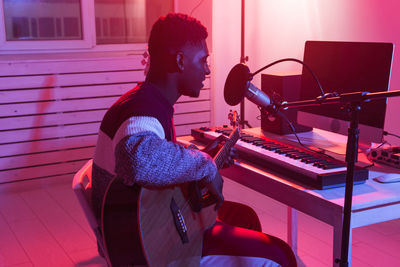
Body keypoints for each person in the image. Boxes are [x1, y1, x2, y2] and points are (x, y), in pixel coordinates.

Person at [91, 13, 297, 267]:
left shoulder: (146, 100)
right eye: (203, 60)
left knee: (246, 217)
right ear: (180, 61)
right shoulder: (143, 108)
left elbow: (153, 159)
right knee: (281, 255)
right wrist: (204, 164)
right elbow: (136, 158)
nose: (208, 69)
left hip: (145, 226)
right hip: (154, 244)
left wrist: (196, 155)